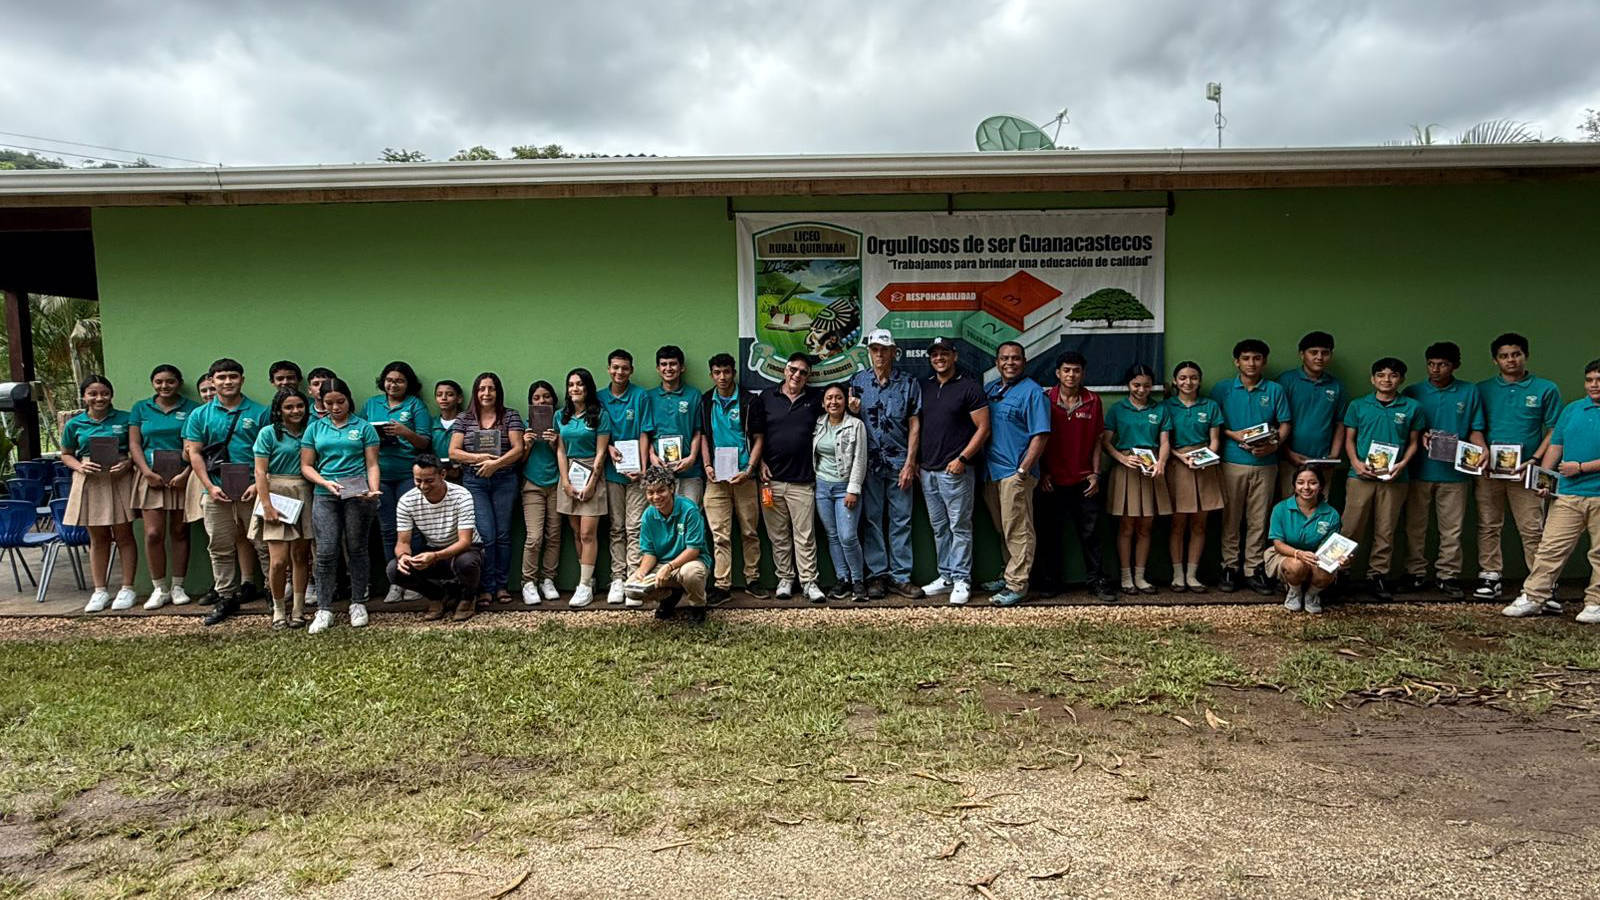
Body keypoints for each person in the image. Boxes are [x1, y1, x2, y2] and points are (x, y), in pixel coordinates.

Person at [1502, 358, 1600, 623]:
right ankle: (1534, 597)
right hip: (1568, 494)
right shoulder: (1572, 410)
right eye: (1590, 380)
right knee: (1549, 548)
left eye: (1599, 380)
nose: (1594, 385)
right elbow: (1556, 446)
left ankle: (1595, 603)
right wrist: (1543, 480)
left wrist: (1581, 467)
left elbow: (1576, 463)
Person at [1474, 332, 1562, 603]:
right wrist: (1482, 451)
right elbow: (1475, 428)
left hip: (1527, 472)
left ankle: (1541, 583)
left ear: (1525, 356)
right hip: (1490, 472)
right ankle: (1490, 576)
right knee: (1488, 524)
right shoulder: (1482, 389)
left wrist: (1535, 460)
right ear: (1495, 360)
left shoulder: (1546, 388)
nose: (1510, 360)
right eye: (1504, 356)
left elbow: (1554, 429)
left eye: (1515, 354)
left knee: (1533, 528)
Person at [181, 358, 271, 614]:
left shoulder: (259, 412)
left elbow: (267, 452)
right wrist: (209, 486)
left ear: (242, 379)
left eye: (233, 376)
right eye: (221, 377)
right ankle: (226, 597)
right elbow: (194, 452)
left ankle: (272, 592)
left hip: (252, 490)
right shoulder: (200, 415)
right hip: (216, 491)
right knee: (219, 546)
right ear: (212, 381)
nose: (227, 381)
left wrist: (257, 485)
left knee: (263, 544)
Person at [1401, 341, 1486, 598]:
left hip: (1455, 474)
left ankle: (1447, 576)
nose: (1436, 369)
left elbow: (1476, 428)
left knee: (1452, 528)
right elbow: (1404, 428)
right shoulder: (1413, 391)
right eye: (1431, 364)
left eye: (1443, 364)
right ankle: (1415, 573)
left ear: (1455, 366)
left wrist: (1481, 449)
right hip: (1419, 471)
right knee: (1415, 526)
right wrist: (1420, 436)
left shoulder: (1469, 392)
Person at [299, 377, 381, 634]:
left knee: (357, 548)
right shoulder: (314, 428)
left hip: (358, 494)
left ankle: (358, 603)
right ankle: (324, 609)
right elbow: (306, 465)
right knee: (325, 550)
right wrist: (325, 483)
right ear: (322, 403)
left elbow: (372, 463)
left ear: (349, 399)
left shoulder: (364, 427)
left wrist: (373, 489)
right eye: (329, 403)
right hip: (326, 494)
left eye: (340, 402)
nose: (335, 407)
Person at [1211, 339, 1293, 595]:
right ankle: (1230, 567)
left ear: (1264, 362)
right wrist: (1237, 436)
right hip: (1232, 462)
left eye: (1257, 358)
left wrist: (1273, 446)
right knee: (1231, 518)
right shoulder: (1223, 389)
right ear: (1237, 361)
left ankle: (1254, 569)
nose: (1251, 363)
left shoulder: (1275, 390)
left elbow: (1285, 424)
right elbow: (1216, 423)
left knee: (1259, 519)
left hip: (1266, 464)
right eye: (1246, 358)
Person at [1341, 357, 1426, 600]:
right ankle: (1342, 572)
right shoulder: (1358, 406)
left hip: (1395, 478)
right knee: (1351, 526)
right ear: (1373, 379)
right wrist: (1356, 463)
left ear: (1401, 379)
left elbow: (1414, 442)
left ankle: (1377, 576)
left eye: (1393, 375)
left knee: (1385, 529)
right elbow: (1349, 439)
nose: (1386, 380)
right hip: (1360, 476)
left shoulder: (1412, 407)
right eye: (1381, 375)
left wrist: (1402, 465)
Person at [847, 329, 924, 600]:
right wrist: (852, 411)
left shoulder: (908, 382)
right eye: (874, 349)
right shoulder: (857, 382)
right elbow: (848, 423)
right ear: (869, 352)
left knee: (901, 520)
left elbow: (915, 424)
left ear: (894, 351)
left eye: (884, 349)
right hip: (868, 464)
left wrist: (910, 463)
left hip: (899, 462)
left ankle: (901, 577)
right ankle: (877, 576)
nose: (879, 354)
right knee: (872, 520)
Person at [1033, 350, 1113, 602]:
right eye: (1066, 370)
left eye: (1076, 370)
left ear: (1083, 374)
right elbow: (1038, 440)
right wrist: (1043, 471)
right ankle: (1051, 582)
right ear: (1058, 373)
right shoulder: (1045, 399)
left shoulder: (1093, 401)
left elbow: (1097, 442)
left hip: (1083, 481)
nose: (1071, 375)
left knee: (1091, 535)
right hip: (1051, 481)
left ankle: (1097, 581)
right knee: (1050, 535)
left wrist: (1095, 474)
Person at [917, 337, 990, 606]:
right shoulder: (924, 386)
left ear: (954, 356)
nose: (939, 358)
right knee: (939, 528)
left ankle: (962, 579)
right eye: (935, 354)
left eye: (944, 353)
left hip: (956, 470)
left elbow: (983, 428)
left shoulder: (969, 387)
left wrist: (963, 458)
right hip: (928, 470)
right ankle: (946, 575)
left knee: (959, 526)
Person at [751, 351, 826, 603]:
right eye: (793, 369)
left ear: (808, 377)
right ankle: (785, 578)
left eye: (803, 372)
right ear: (785, 370)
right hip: (770, 481)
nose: (797, 375)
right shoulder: (766, 398)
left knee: (805, 536)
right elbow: (757, 435)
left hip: (803, 480)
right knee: (778, 535)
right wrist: (759, 462)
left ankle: (809, 582)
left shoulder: (816, 399)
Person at [60, 375, 139, 612]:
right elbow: (66, 453)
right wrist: (79, 466)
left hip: (119, 477)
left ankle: (127, 588)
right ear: (84, 397)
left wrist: (128, 463)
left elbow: (137, 448)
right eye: (92, 394)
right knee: (98, 538)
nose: (99, 398)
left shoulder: (126, 419)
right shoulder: (75, 424)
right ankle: (100, 591)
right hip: (90, 480)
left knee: (124, 535)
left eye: (104, 393)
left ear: (111, 394)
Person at [980, 341, 1050, 607]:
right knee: (1003, 528)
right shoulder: (991, 390)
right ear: (997, 362)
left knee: (1018, 529)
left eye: (1015, 358)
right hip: (991, 473)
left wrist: (1022, 471)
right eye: (1004, 358)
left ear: (1024, 361)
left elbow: (1040, 435)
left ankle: (1017, 584)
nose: (1010, 363)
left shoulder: (1033, 392)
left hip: (1014, 473)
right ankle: (1008, 573)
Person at [448, 372, 525, 604]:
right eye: (482, 389)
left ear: (498, 392)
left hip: (504, 481)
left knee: (503, 535)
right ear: (475, 392)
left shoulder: (510, 416)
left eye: (491, 389)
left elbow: (518, 449)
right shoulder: (464, 418)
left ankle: (501, 587)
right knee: (486, 535)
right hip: (474, 482)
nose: (486, 393)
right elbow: (453, 451)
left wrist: (496, 464)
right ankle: (486, 587)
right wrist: (479, 457)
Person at [127, 364, 199, 609]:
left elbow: (196, 445)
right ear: (153, 383)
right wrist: (146, 472)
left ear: (178, 383)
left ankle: (178, 586)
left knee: (180, 531)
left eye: (169, 381)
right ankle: (159, 588)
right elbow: (134, 444)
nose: (164, 386)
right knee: (153, 533)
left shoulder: (192, 408)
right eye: (159, 381)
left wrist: (187, 472)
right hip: (151, 477)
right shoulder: (140, 408)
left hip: (181, 476)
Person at [698, 353, 766, 602]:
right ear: (711, 375)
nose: (722, 377)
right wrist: (706, 465)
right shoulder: (706, 401)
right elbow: (704, 435)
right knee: (720, 534)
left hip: (744, 477)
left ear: (734, 373)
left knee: (749, 531)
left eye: (726, 372)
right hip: (715, 479)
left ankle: (753, 579)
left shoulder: (749, 400)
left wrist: (749, 468)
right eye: (717, 372)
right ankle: (722, 585)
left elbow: (759, 438)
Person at [362, 361, 435, 591]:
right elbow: (359, 434)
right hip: (379, 474)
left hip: (408, 474)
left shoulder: (416, 406)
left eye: (400, 381)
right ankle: (396, 581)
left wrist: (405, 432)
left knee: (411, 527)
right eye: (390, 380)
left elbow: (425, 442)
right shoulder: (372, 405)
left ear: (408, 384)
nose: (393, 385)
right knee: (387, 528)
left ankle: (415, 579)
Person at [1101, 364, 1172, 595]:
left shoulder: (1160, 409)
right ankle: (1125, 576)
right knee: (1127, 526)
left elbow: (1165, 442)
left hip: (1151, 470)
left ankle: (1141, 576)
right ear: (1128, 385)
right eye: (1136, 385)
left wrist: (1161, 463)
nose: (1142, 389)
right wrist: (1122, 459)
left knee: (1146, 526)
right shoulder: (1118, 409)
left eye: (1147, 385)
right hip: (1126, 471)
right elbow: (1105, 442)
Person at [388, 454, 482, 623]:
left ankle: (468, 598)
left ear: (442, 475)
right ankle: (436, 597)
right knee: (394, 570)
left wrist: (436, 556)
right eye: (418, 480)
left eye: (429, 481)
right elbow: (402, 542)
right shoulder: (406, 500)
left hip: (465, 549)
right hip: (433, 549)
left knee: (467, 563)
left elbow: (465, 541)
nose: (423, 486)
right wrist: (403, 557)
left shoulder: (462, 495)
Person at [248, 388, 314, 628]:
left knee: (301, 556)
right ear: (279, 410)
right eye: (289, 407)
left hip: (304, 491)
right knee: (278, 560)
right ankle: (278, 609)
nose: (295, 411)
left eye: (299, 406)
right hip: (276, 492)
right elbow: (260, 471)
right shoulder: (268, 433)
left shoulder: (311, 430)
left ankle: (298, 610)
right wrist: (266, 504)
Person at [600, 349, 656, 605]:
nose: (619, 372)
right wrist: (609, 447)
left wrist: (643, 469)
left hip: (636, 475)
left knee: (635, 527)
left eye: (624, 368)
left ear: (631, 370)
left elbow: (645, 433)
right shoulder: (599, 398)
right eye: (615, 367)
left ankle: (634, 577)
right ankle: (617, 579)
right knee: (616, 528)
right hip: (611, 474)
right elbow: (598, 433)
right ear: (608, 369)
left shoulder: (641, 396)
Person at [1164, 360, 1225, 593]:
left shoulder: (1210, 406)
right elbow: (1164, 442)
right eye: (1182, 378)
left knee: (1200, 524)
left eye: (1193, 377)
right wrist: (1182, 458)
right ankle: (1177, 575)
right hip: (1178, 466)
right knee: (1178, 524)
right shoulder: (1167, 407)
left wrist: (1207, 457)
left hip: (1205, 467)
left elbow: (1216, 439)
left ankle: (1192, 574)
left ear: (1199, 380)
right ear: (1175, 381)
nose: (1188, 382)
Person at [624, 465, 712, 624]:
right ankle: (669, 597)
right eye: (650, 492)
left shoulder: (689, 510)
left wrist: (669, 567)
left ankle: (698, 607)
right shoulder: (648, 515)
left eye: (660, 490)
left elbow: (693, 550)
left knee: (691, 573)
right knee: (631, 588)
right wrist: (642, 572)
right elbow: (649, 552)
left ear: (671, 488)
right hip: (662, 565)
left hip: (690, 562)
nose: (656, 497)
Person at [554, 367, 611, 607]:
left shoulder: (599, 415)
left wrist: (591, 483)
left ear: (588, 388)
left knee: (588, 532)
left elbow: (601, 452)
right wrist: (565, 481)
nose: (575, 389)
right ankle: (588, 577)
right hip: (569, 474)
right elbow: (559, 449)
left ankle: (584, 586)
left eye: (580, 384)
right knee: (576, 531)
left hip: (592, 475)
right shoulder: (561, 416)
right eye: (571, 384)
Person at [813, 384, 869, 601]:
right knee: (833, 536)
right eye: (829, 398)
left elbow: (860, 460)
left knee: (848, 535)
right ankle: (842, 579)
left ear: (845, 401)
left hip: (846, 488)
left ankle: (858, 581)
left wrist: (853, 489)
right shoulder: (818, 424)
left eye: (838, 398)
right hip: (822, 487)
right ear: (823, 403)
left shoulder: (856, 425)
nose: (833, 402)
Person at [1266, 465, 1345, 614]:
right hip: (1286, 554)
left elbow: (1328, 547)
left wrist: (1341, 559)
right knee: (1296, 566)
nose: (1306, 487)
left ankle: (1312, 595)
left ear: (1321, 486)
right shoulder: (1281, 509)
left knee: (1328, 569)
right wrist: (1299, 554)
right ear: (1294, 486)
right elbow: (1277, 544)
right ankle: (1294, 591)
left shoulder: (1331, 514)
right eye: (1300, 482)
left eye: (1313, 483)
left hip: (1316, 556)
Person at [1276, 332, 1345, 496]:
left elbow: (1340, 422)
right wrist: (1287, 452)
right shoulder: (1286, 381)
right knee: (1289, 508)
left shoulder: (1336, 385)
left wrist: (1334, 455)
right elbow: (1274, 422)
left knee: (1319, 510)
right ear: (1302, 354)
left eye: (1325, 353)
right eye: (1313, 352)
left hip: (1322, 462)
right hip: (1289, 461)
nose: (1319, 357)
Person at [519, 380, 563, 605]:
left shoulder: (560, 424)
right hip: (532, 486)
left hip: (556, 484)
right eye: (536, 398)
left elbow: (565, 458)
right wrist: (526, 445)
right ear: (530, 402)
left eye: (546, 396)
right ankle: (528, 582)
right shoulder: (525, 426)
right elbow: (519, 461)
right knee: (534, 537)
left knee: (554, 536)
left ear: (553, 401)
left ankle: (548, 579)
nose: (542, 401)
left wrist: (556, 443)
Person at [647, 345, 704, 507]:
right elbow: (645, 433)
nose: (668, 368)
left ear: (682, 367)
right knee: (661, 518)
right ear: (658, 368)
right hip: (659, 471)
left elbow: (698, 431)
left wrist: (692, 457)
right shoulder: (648, 397)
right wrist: (652, 456)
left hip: (689, 471)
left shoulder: (694, 395)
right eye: (664, 364)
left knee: (690, 516)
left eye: (673, 364)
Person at [432, 379, 464, 480]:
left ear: (459, 399)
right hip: (436, 475)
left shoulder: (466, 423)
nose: (444, 398)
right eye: (439, 394)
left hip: (461, 475)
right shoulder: (431, 423)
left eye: (449, 394)